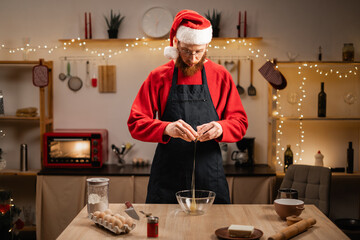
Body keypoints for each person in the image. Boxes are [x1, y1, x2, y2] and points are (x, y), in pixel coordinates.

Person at [128, 9, 248, 204]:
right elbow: (136, 122)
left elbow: (240, 122)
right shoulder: (158, 76)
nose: (192, 58)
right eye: (186, 51)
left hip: (210, 176)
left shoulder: (220, 75)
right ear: (176, 43)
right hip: (168, 177)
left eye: (198, 52)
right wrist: (166, 128)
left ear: (206, 46)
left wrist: (220, 128)